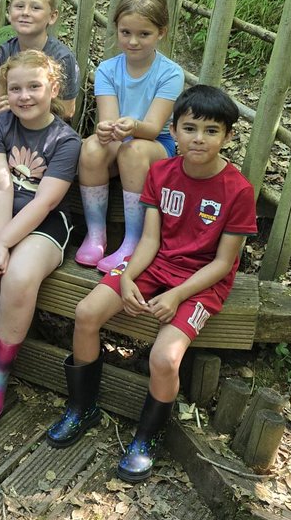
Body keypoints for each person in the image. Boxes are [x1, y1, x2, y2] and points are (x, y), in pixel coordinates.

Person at [47, 85, 256, 484]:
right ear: (173, 131)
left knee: (164, 358)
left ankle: (148, 435)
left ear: (228, 136)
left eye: (211, 131)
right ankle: (82, 407)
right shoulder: (160, 172)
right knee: (86, 312)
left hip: (200, 283)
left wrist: (177, 295)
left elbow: (223, 263)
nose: (199, 138)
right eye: (190, 128)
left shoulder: (238, 191)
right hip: (154, 265)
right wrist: (126, 276)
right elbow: (149, 241)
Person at [0, 50, 81, 420]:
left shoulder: (66, 141)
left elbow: (45, 201)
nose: (24, 96)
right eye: (16, 88)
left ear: (53, 88)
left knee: (20, 277)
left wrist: (4, 244)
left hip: (45, 221)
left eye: (34, 87)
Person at [75, 0, 184, 273]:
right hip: (122, 141)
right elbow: (108, 122)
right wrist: (104, 130)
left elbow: (153, 127)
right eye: (125, 33)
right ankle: (96, 234)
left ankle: (133, 241)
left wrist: (132, 126)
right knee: (90, 147)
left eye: (143, 34)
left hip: (155, 146)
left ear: (161, 32)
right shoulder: (108, 70)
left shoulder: (170, 73)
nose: (133, 41)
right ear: (116, 29)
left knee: (133, 151)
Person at [0, 0, 80, 136]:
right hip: (11, 116)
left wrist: (28, 107)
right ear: (10, 11)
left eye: (35, 8)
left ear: (52, 17)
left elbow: (68, 110)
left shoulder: (62, 57)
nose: (25, 12)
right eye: (19, 6)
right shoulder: (6, 50)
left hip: (47, 125)